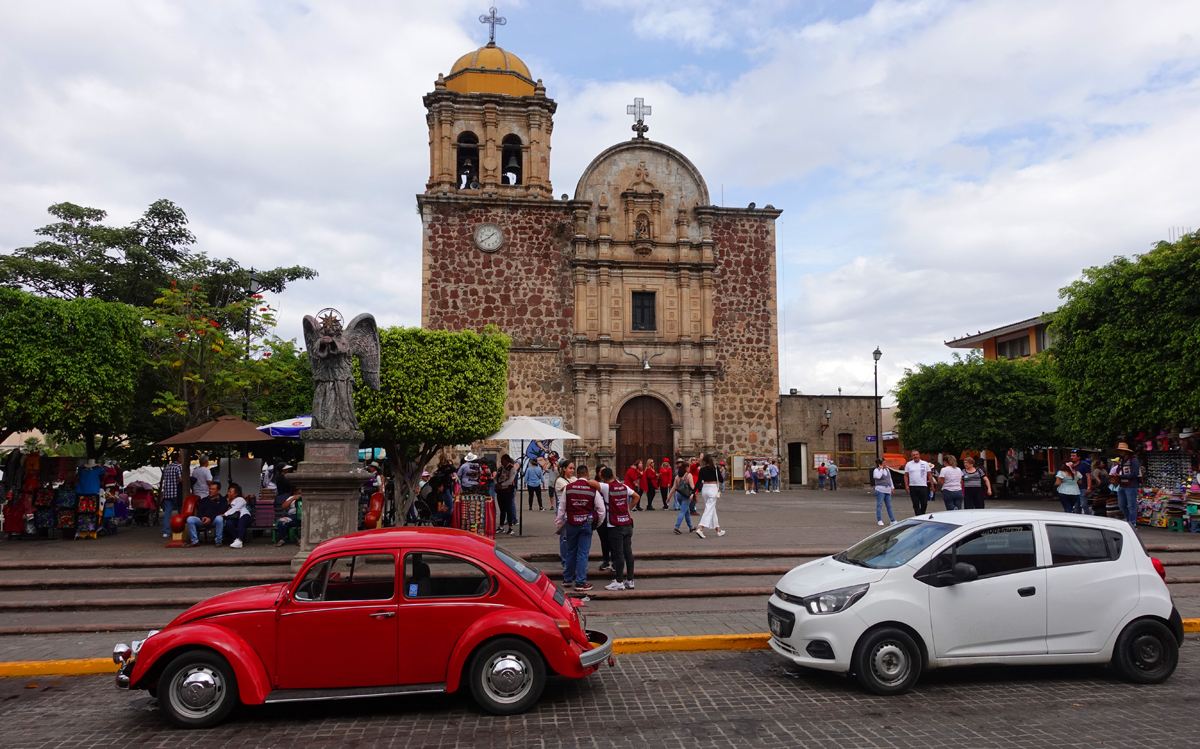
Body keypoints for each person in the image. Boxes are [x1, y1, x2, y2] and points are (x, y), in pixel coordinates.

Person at [556, 463, 605, 592]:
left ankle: (567, 579)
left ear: (577, 475)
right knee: (583, 553)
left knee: (571, 551)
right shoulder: (592, 489)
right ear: (588, 475)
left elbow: (562, 506)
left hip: (571, 523)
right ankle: (580, 582)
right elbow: (601, 509)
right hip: (586, 524)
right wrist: (598, 523)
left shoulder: (569, 488)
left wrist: (559, 521)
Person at [598, 467, 636, 591]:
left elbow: (591, 483)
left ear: (602, 478)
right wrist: (628, 509)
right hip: (627, 523)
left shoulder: (606, 487)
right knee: (628, 552)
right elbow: (636, 496)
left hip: (614, 526)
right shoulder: (624, 486)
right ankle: (630, 580)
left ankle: (619, 581)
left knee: (618, 553)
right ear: (614, 475)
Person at [187, 481, 227, 546]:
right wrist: (202, 517)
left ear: (218, 491)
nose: (210, 491)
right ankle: (194, 541)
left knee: (220, 519)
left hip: (214, 519)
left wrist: (210, 519)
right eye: (210, 489)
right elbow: (199, 511)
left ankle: (218, 541)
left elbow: (221, 511)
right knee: (190, 519)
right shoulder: (204, 500)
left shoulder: (223, 500)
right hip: (203, 520)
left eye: (213, 489)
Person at [695, 456, 724, 539]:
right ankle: (701, 528)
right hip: (712, 488)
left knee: (711, 508)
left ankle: (718, 530)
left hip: (705, 489)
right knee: (709, 508)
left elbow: (698, 481)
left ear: (704, 462)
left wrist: (693, 492)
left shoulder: (702, 470)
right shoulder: (715, 468)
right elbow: (721, 480)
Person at [1114, 442, 1141, 528]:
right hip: (1122, 485)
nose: (1120, 452)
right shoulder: (1121, 460)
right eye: (1120, 450)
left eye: (1122, 450)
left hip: (1131, 485)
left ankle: (1132, 523)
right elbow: (1119, 470)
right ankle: (1129, 520)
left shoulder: (1133, 460)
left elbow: (1135, 473)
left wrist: (1121, 476)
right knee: (1121, 505)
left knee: (1131, 506)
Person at [159, 453, 184, 539]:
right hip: (176, 492)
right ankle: (181, 529)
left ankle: (165, 532)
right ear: (178, 459)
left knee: (167, 513)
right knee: (180, 511)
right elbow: (180, 479)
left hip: (167, 493)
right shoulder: (178, 467)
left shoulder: (166, 468)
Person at [222, 483, 252, 548]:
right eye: (228, 492)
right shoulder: (227, 501)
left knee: (241, 523)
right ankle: (236, 540)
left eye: (230, 492)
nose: (228, 493)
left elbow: (236, 508)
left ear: (235, 494)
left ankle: (240, 539)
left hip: (244, 516)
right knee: (229, 523)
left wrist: (225, 514)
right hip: (236, 518)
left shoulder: (240, 499)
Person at [903, 450, 933, 516]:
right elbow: (906, 475)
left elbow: (929, 475)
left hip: (923, 485)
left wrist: (932, 485)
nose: (915, 456)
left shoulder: (925, 464)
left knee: (924, 502)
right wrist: (906, 485)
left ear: (919, 455)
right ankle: (918, 515)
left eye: (916, 454)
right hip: (913, 486)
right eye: (913, 455)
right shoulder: (909, 464)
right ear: (912, 456)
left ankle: (922, 514)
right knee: (915, 503)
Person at [274, 477, 301, 547]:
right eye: (299, 491)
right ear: (295, 492)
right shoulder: (291, 498)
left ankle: (300, 539)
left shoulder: (307, 498)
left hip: (303, 517)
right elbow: (283, 506)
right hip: (293, 517)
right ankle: (282, 539)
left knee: (307, 522)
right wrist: (293, 498)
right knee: (281, 522)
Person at [495, 454, 518, 535]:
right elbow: (495, 477)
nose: (501, 462)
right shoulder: (500, 468)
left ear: (506, 460)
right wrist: (497, 484)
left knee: (508, 509)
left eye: (502, 460)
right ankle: (501, 526)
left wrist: (502, 484)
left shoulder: (512, 469)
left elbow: (510, 480)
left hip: (508, 490)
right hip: (500, 490)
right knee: (502, 509)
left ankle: (511, 527)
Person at [672, 463, 696, 534]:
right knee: (683, 510)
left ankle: (690, 526)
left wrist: (669, 497)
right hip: (686, 495)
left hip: (679, 495)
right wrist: (695, 495)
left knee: (686, 511)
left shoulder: (677, 477)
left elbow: (674, 488)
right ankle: (677, 526)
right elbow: (692, 487)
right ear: (686, 468)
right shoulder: (689, 475)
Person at [871, 459, 896, 525]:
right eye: (883, 463)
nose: (885, 464)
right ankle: (879, 520)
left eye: (885, 463)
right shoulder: (876, 470)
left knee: (889, 505)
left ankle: (892, 520)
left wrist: (892, 487)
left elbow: (890, 479)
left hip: (887, 490)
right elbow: (877, 477)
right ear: (880, 464)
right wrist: (881, 469)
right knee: (879, 505)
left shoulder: (887, 470)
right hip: (880, 490)